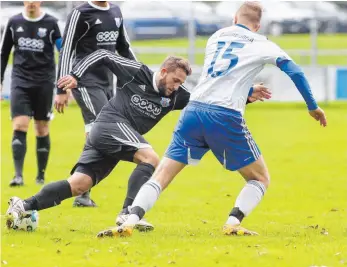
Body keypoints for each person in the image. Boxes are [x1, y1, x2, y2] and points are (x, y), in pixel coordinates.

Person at [101, 1, 328, 238]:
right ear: (258, 26)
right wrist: (313, 107)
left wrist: (247, 90)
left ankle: (129, 220)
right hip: (224, 115)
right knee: (260, 178)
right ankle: (232, 223)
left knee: (162, 175)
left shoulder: (217, 37)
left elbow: (221, 74)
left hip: (194, 111)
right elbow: (296, 72)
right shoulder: (263, 44)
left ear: (234, 19)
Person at [5, 50, 270, 232]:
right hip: (107, 125)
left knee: (79, 185)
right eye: (175, 80)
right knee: (151, 158)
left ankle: (24, 205)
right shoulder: (137, 72)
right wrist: (76, 75)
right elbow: (104, 55)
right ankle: (127, 214)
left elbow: (207, 98)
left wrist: (247, 93)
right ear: (164, 71)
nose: (177, 86)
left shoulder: (176, 96)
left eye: (181, 82)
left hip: (118, 139)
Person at [54, 0, 137, 207]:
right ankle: (81, 191)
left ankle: (82, 191)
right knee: (101, 129)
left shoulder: (116, 12)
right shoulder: (80, 13)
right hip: (83, 81)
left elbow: (124, 48)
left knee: (96, 132)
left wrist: (142, 75)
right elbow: (67, 50)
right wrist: (61, 88)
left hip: (108, 82)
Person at [0, 1, 62, 187]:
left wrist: (62, 86)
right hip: (20, 81)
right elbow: (3, 53)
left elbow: (63, 51)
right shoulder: (14, 22)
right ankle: (18, 176)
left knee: (41, 128)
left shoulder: (51, 23)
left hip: (44, 82)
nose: (32, 2)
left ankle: (40, 176)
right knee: (20, 124)